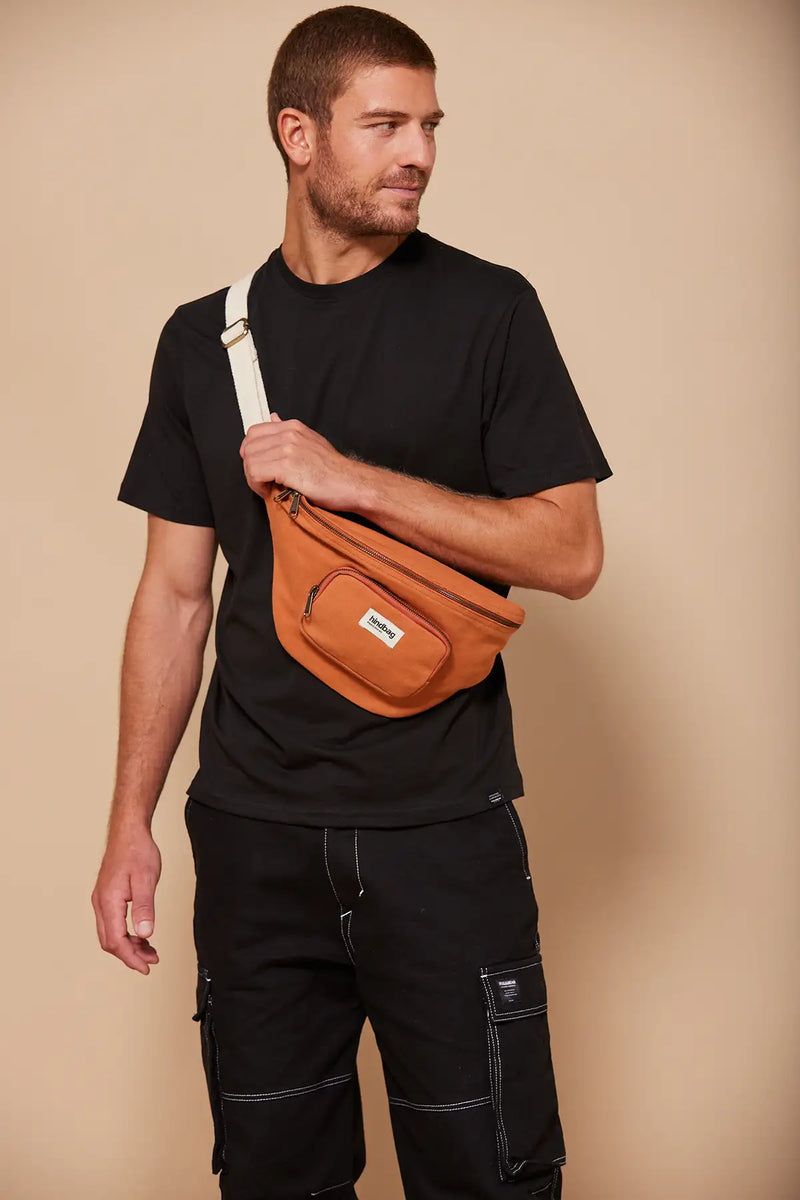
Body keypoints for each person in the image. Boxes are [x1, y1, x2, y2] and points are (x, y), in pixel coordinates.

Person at [91, 6, 613, 1198]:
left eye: (429, 126)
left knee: (485, 1174)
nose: (417, 153)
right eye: (384, 125)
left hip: (441, 830)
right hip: (250, 833)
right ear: (299, 134)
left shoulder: (488, 310)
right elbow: (173, 596)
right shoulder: (201, 342)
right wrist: (131, 825)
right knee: (273, 1177)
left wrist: (352, 481)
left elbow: (571, 549)